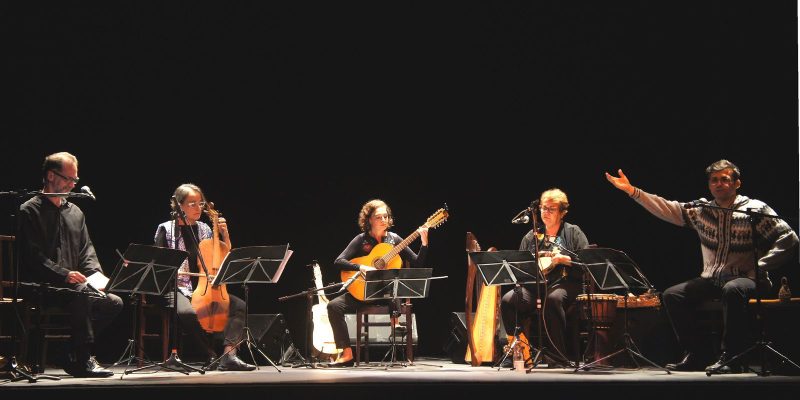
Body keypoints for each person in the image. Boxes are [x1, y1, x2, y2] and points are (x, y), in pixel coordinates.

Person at [606, 160, 799, 373]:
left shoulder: (755, 209)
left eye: (724, 179)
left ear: (737, 183)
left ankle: (731, 356)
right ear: (709, 185)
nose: (719, 184)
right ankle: (697, 354)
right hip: (712, 279)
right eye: (714, 180)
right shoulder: (703, 210)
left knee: (733, 289)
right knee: (672, 295)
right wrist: (633, 191)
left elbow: (789, 238)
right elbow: (668, 208)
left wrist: (762, 265)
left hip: (749, 278)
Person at [18, 152, 122, 378]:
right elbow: (32, 256)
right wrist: (64, 274)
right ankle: (83, 358)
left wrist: (97, 276)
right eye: (68, 178)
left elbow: (87, 252)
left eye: (75, 180)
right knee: (81, 293)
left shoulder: (75, 212)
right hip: (43, 285)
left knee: (114, 302)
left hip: (75, 287)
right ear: (50, 176)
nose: (72, 184)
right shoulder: (29, 210)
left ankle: (68, 351)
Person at [153, 183, 256, 371]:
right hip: (174, 288)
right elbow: (159, 266)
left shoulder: (205, 230)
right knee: (187, 313)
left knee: (239, 305)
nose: (198, 208)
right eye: (192, 204)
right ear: (179, 206)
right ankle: (209, 354)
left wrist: (224, 234)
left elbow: (223, 257)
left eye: (200, 203)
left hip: (204, 288)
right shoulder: (166, 229)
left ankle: (229, 355)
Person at [326, 199, 429, 367]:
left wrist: (424, 244)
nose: (383, 220)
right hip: (362, 292)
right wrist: (361, 267)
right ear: (369, 220)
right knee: (333, 306)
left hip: (388, 295)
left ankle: (395, 322)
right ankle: (347, 353)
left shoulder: (395, 240)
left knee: (391, 281)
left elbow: (417, 263)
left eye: (386, 216)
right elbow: (339, 261)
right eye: (378, 217)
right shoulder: (361, 240)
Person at [500, 188, 590, 367]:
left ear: (562, 212)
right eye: (543, 208)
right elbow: (520, 265)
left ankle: (557, 356)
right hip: (536, 285)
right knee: (508, 300)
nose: (545, 212)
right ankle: (521, 352)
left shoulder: (573, 232)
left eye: (551, 209)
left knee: (552, 299)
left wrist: (565, 259)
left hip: (566, 283)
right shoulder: (532, 235)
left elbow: (587, 261)